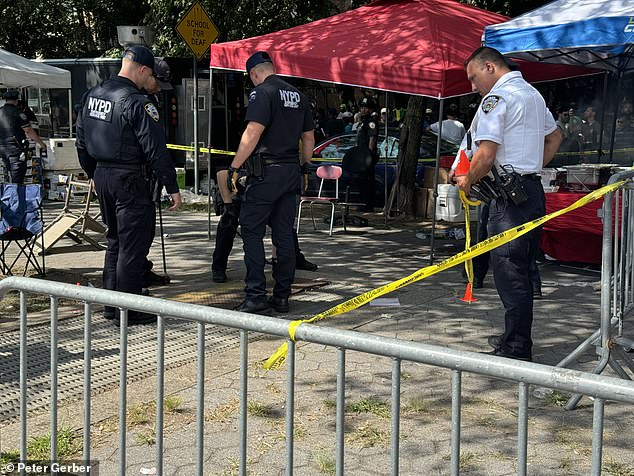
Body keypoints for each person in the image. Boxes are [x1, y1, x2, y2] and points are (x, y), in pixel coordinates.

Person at [455, 46, 562, 361]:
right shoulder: (532, 95)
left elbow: (485, 156)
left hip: (509, 200)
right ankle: (515, 338)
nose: (474, 88)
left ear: (489, 67)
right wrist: (531, 168)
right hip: (530, 192)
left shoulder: (496, 100)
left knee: (509, 271)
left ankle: (517, 348)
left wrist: (468, 180)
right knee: (523, 268)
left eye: (474, 79)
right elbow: (556, 137)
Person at [75, 45, 182, 325]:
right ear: (144, 70)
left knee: (115, 241)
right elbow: (155, 149)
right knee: (132, 247)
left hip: (104, 176)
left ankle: (111, 306)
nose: (156, 87)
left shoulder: (93, 95)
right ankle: (129, 309)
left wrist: (94, 174)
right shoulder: (137, 102)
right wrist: (172, 187)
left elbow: (81, 141)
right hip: (130, 180)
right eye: (154, 80)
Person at [228, 51, 314, 314]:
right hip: (291, 172)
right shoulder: (298, 95)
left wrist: (235, 166)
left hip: (266, 173)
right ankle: (282, 296)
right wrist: (304, 168)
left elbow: (253, 133)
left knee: (252, 231)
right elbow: (308, 139)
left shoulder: (262, 93)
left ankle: (256, 295)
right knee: (284, 234)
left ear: (255, 74)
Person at [211, 167, 318, 284]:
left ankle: (294, 258)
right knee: (227, 226)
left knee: (284, 228)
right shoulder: (237, 151)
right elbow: (222, 173)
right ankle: (218, 267)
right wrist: (227, 204)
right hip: (238, 195)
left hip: (264, 195)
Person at [0, 89, 48, 184]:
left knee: (9, 174)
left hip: (2, 148)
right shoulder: (18, 112)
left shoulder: (0, 111)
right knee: (17, 176)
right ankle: (15, 197)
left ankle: (10, 196)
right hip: (15, 148)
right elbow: (28, 130)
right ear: (17, 100)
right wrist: (41, 143)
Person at [356, 96, 379, 212]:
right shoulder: (363, 122)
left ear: (370, 110)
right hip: (361, 156)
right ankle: (363, 202)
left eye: (366, 108)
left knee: (368, 181)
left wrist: (369, 155)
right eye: (362, 107)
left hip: (367, 156)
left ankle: (368, 204)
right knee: (362, 180)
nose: (363, 110)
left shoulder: (371, 122)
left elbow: (372, 139)